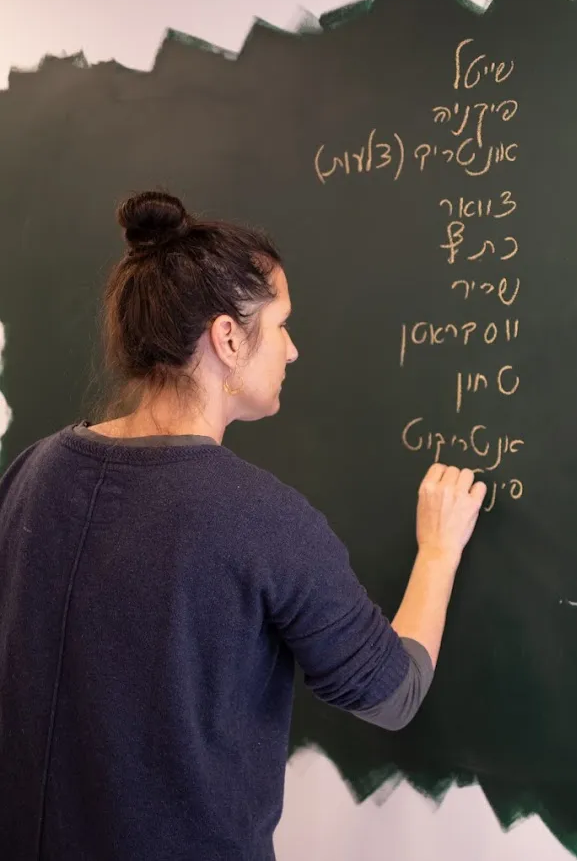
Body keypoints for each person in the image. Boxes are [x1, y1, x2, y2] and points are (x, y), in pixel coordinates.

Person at [0, 190, 486, 860]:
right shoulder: (261, 519)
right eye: (282, 325)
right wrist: (438, 552)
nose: (293, 350)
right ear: (228, 338)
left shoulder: (33, 470)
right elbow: (391, 692)